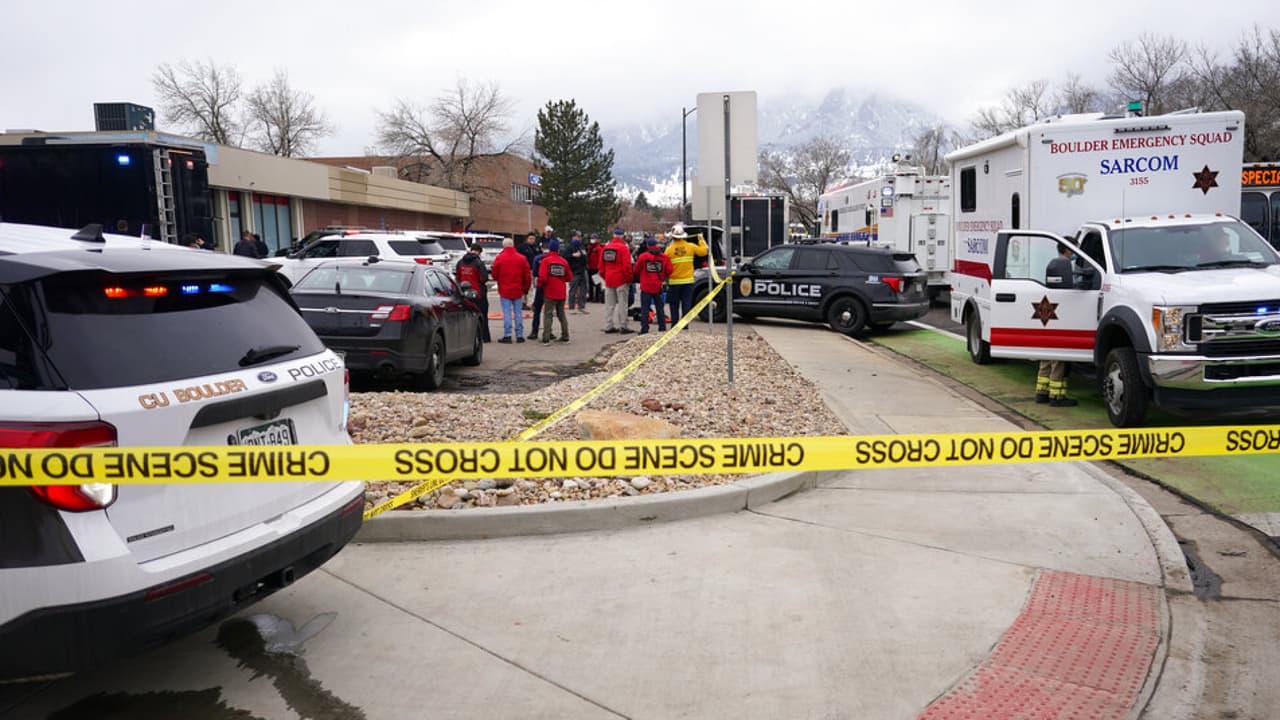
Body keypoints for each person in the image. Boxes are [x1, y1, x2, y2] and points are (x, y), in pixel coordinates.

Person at [1036, 242, 1078, 407]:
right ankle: (1057, 396)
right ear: (1067, 249)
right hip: (1061, 314)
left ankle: (1041, 393)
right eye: (1074, 248)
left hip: (1050, 314)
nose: (1076, 252)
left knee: (1046, 358)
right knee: (1059, 359)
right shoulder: (1065, 265)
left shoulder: (1052, 263)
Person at [664, 223, 709, 325]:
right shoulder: (690, 247)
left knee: (674, 305)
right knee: (686, 304)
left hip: (674, 283)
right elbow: (705, 251)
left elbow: (665, 266)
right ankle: (684, 326)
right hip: (688, 282)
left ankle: (674, 325)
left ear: (673, 237)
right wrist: (701, 239)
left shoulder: (669, 250)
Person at [491, 238, 532, 344]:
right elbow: (527, 276)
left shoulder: (500, 258)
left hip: (505, 289)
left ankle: (508, 335)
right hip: (518, 289)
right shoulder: (522, 258)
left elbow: (494, 274)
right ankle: (519, 335)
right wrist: (526, 289)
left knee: (507, 313)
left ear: (504, 246)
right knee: (518, 312)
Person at [633, 237, 673, 334]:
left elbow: (636, 270)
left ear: (648, 246)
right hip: (658, 287)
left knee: (645, 309)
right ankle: (662, 328)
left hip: (646, 286)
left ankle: (644, 329)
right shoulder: (664, 257)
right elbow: (670, 271)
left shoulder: (643, 257)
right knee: (660, 308)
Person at [600, 227, 635, 334]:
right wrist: (629, 279)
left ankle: (608, 325)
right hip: (621, 279)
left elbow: (601, 267)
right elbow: (627, 266)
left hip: (609, 279)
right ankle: (623, 325)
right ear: (622, 236)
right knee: (622, 304)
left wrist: (605, 277)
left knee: (609, 304)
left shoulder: (606, 248)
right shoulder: (623, 248)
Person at [538, 239, 572, 344]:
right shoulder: (563, 261)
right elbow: (569, 277)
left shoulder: (546, 261)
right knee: (561, 314)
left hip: (550, 291)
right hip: (561, 291)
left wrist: (540, 285)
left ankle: (546, 337)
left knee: (548, 314)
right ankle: (565, 336)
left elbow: (542, 277)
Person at [455, 244, 492, 342]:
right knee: (482, 315)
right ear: (479, 252)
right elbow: (484, 278)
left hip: (464, 294)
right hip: (478, 293)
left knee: (465, 317)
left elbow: (457, 277)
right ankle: (484, 337)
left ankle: (465, 338)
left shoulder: (460, 262)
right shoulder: (478, 262)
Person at [566, 233, 590, 313]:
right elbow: (565, 257)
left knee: (583, 289)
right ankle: (571, 306)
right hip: (574, 271)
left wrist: (582, 256)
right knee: (573, 289)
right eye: (577, 237)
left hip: (582, 270)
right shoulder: (569, 247)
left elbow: (586, 257)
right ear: (573, 237)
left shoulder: (582, 246)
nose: (578, 238)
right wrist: (573, 255)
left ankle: (581, 305)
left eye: (579, 237)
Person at [518, 232, 542, 308]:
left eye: (533, 239)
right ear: (527, 239)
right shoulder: (522, 248)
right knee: (523, 287)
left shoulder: (537, 248)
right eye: (530, 239)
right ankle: (523, 302)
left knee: (531, 287)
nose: (532, 240)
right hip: (523, 270)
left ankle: (530, 303)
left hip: (533, 270)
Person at [529, 243, 548, 338]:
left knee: (537, 310)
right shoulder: (556, 258)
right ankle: (549, 332)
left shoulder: (537, 258)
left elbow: (535, 273)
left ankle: (534, 332)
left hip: (540, 286)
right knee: (549, 311)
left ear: (541, 248)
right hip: (551, 287)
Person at [587, 233, 603, 302]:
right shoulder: (589, 247)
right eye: (592, 238)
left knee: (597, 284)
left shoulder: (598, 248)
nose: (592, 239)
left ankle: (597, 298)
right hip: (590, 268)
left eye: (594, 238)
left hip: (596, 268)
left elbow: (600, 258)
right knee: (590, 284)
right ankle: (591, 296)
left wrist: (600, 268)